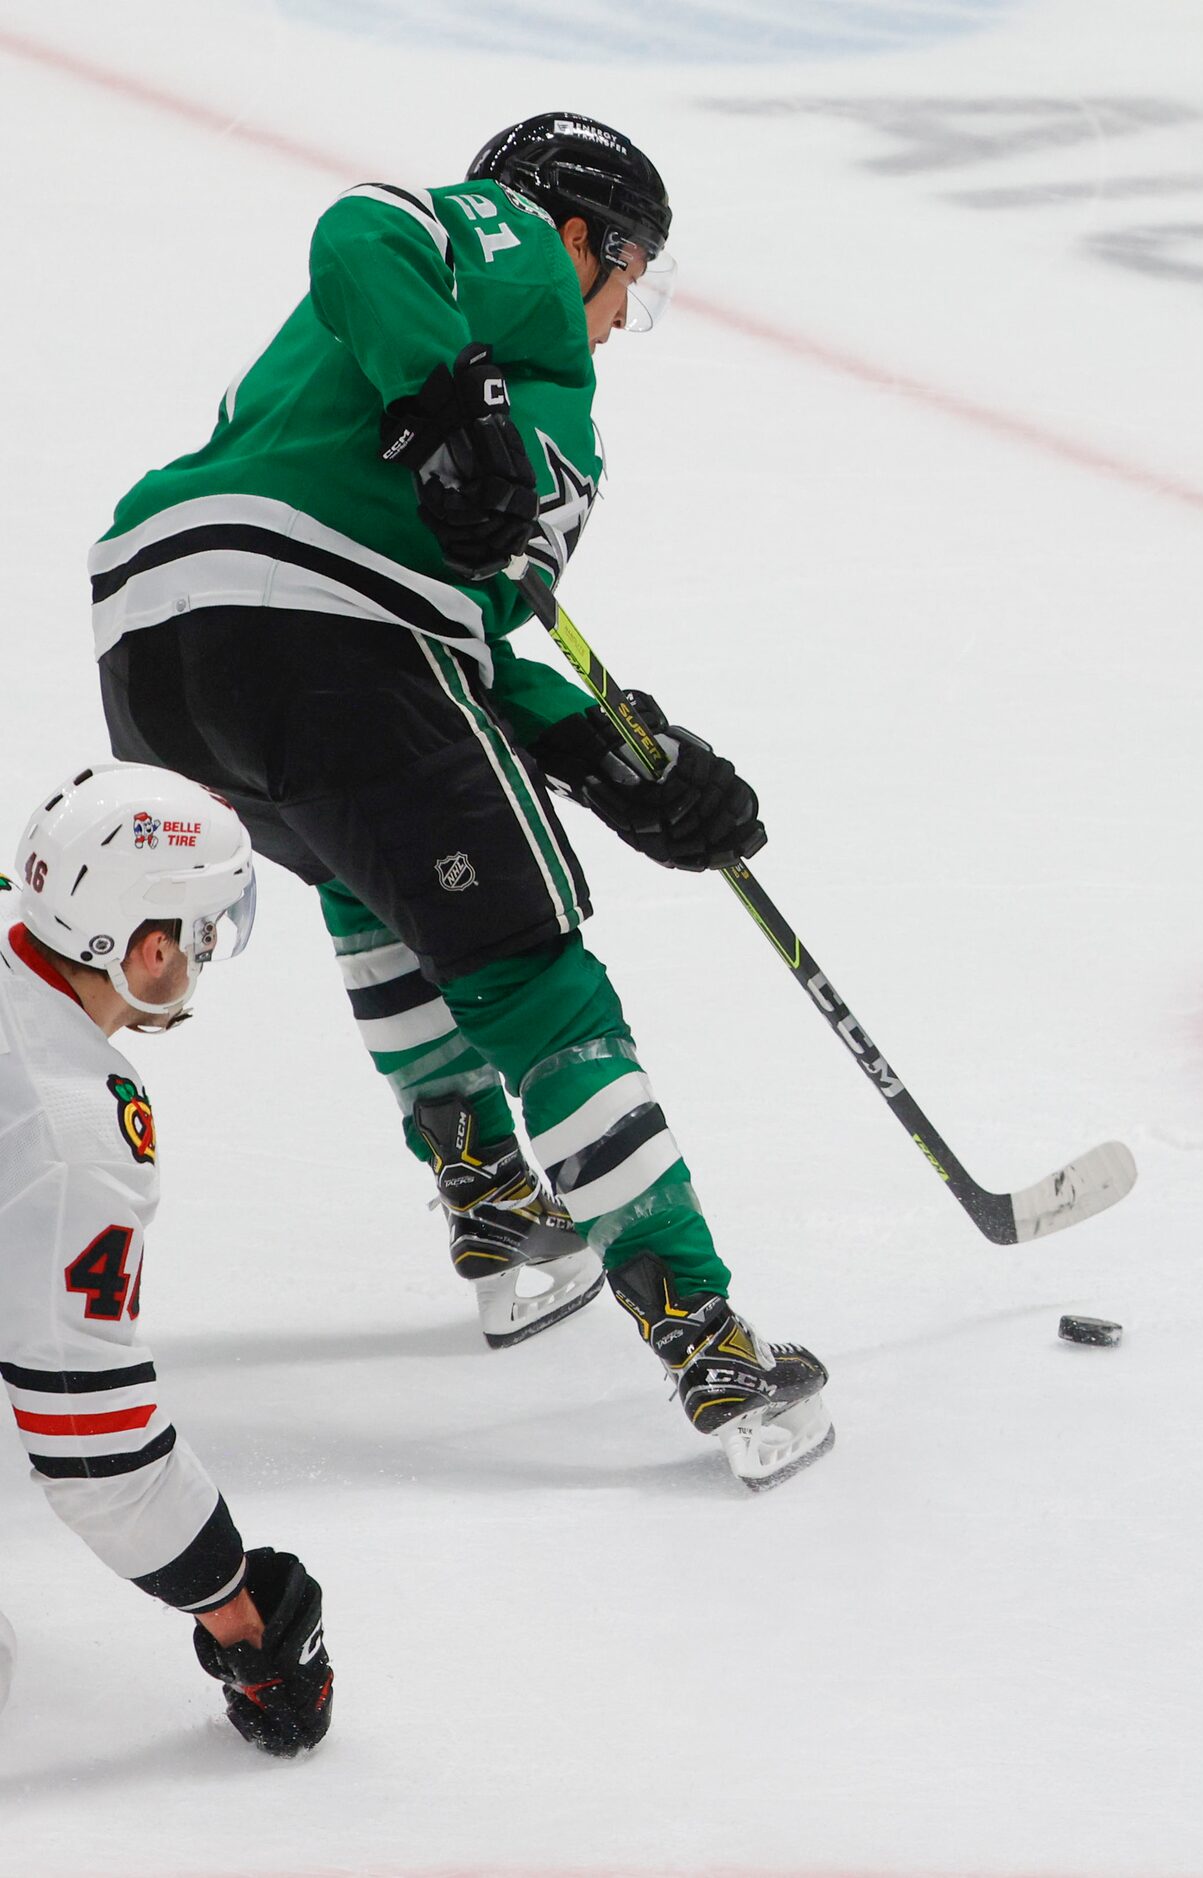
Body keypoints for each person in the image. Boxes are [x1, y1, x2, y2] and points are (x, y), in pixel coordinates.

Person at [87, 113, 831, 1487]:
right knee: (538, 979)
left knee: (391, 877)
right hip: (318, 630)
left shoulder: (517, 417)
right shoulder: (513, 263)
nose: (617, 319)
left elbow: (469, 665)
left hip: (161, 647)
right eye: (632, 275)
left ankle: (495, 1209)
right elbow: (364, 224)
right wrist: (450, 397)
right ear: (580, 234)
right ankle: (708, 1341)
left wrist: (626, 761)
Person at [2, 764, 334, 1753]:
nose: (205, 953)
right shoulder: (72, 1132)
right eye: (201, 933)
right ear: (149, 950)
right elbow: (89, 1437)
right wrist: (237, 1612)